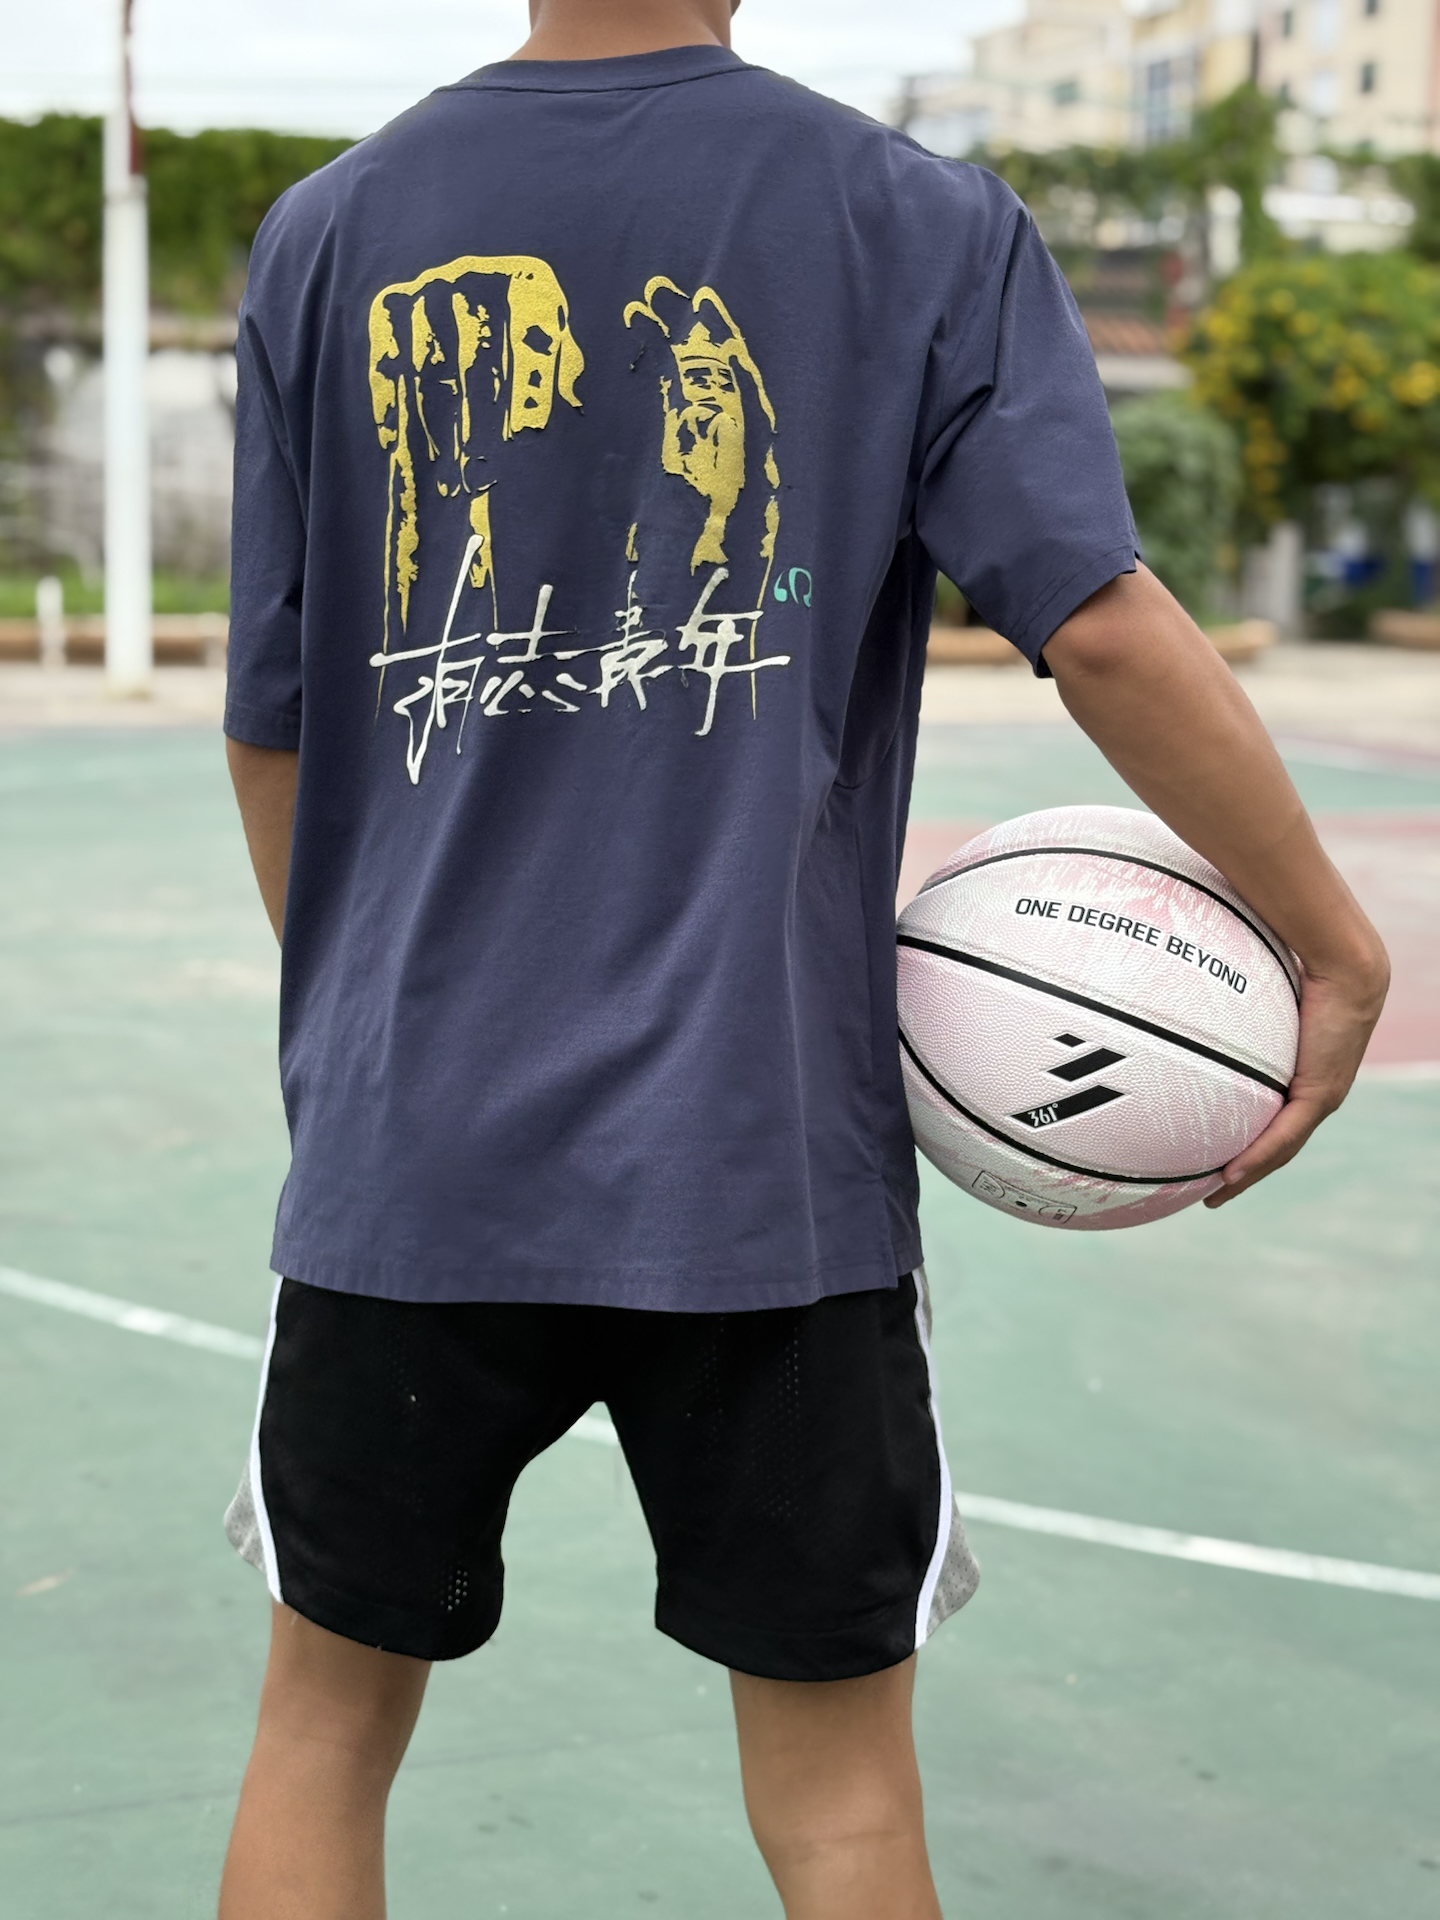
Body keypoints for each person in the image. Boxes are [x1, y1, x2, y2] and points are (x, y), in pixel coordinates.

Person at [215, 2, 1389, 1914]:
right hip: (761, 1174)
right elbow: (1095, 624)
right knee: (839, 1805)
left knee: (322, 1738)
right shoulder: (908, 216)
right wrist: (1331, 940)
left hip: (409, 1167)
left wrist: (373, 1047)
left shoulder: (328, 231)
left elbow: (274, 728)